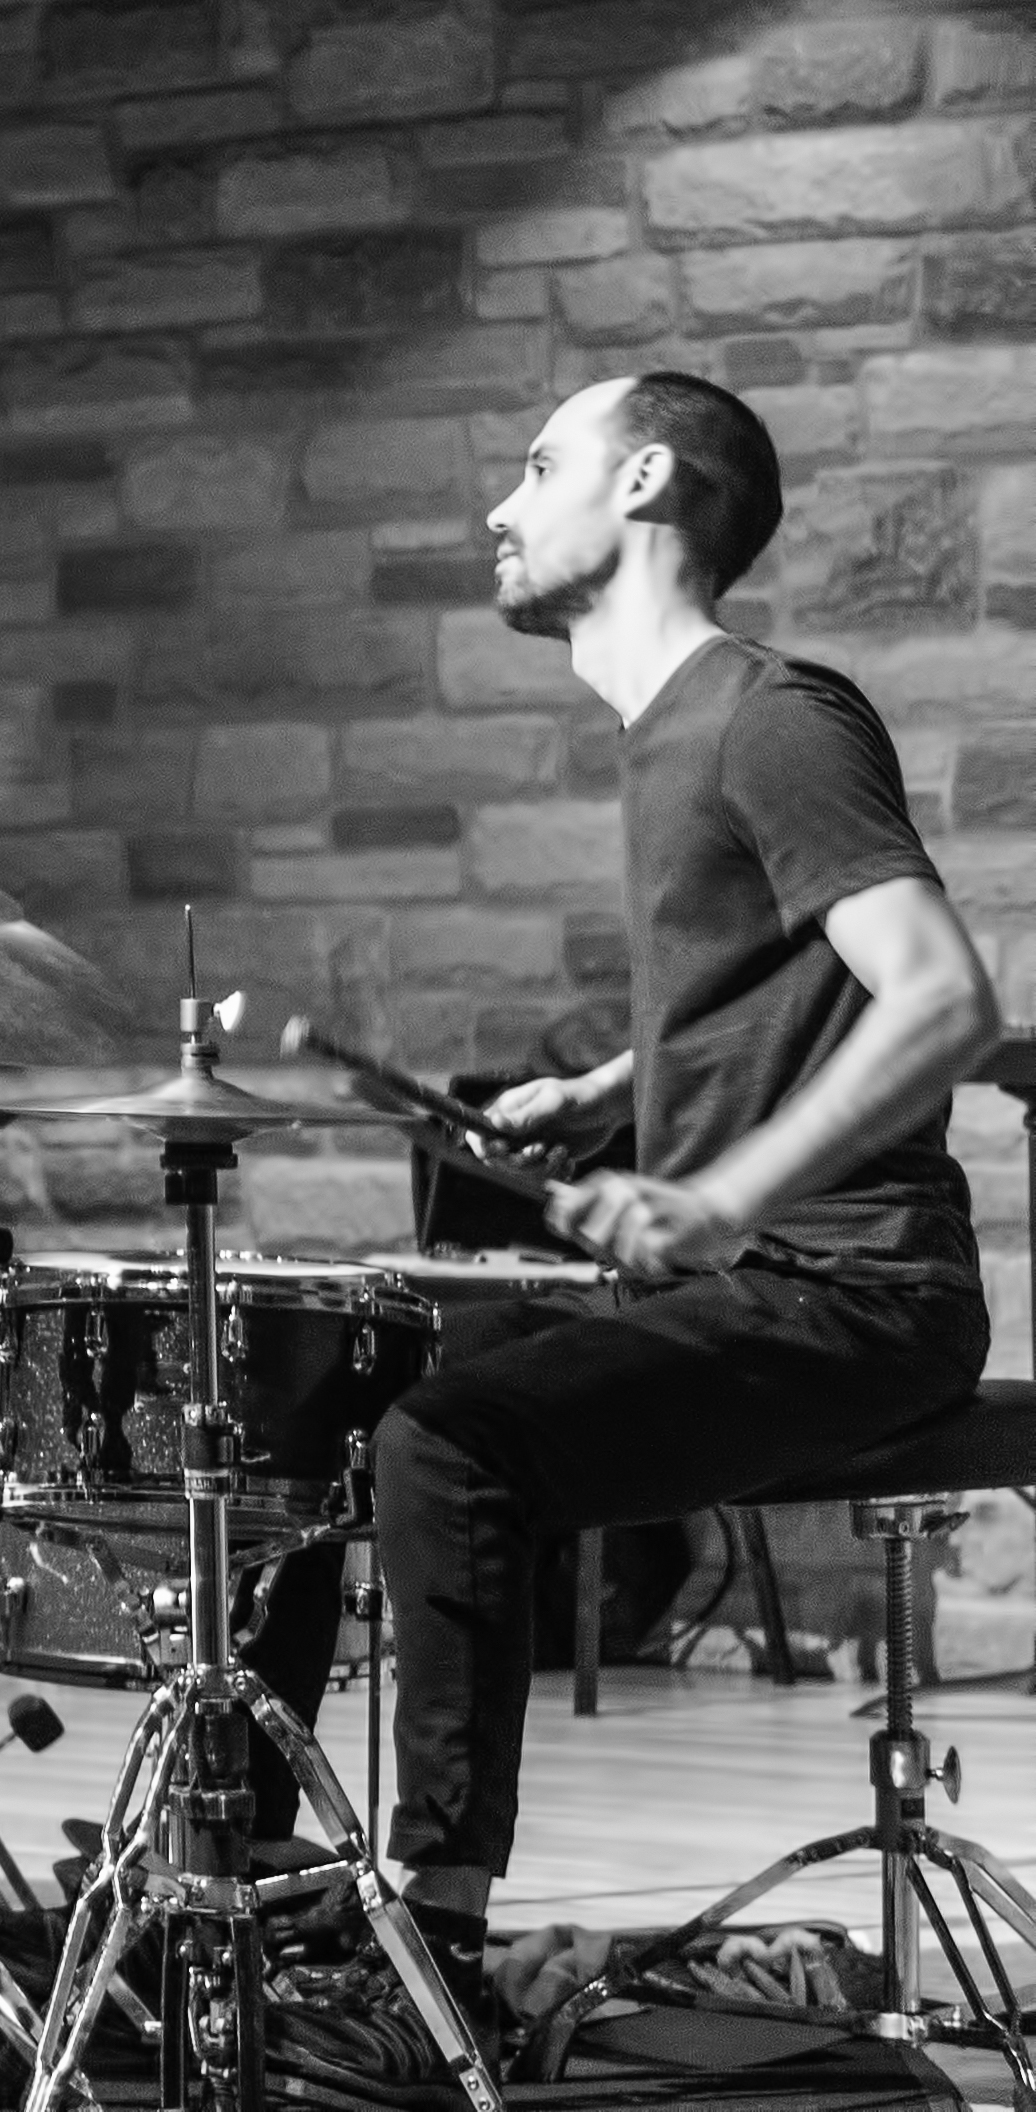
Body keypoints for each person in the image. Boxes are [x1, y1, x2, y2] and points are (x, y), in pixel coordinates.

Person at [245, 373, 1000, 2025]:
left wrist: (717, 1192)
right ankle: (233, 1870)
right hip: (760, 1279)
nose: (497, 508)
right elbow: (784, 978)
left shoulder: (766, 715)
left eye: (535, 466)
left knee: (446, 1443)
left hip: (856, 1292)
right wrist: (609, 1090)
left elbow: (944, 996)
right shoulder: (671, 735)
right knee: (322, 1374)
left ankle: (429, 1938)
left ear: (645, 478)